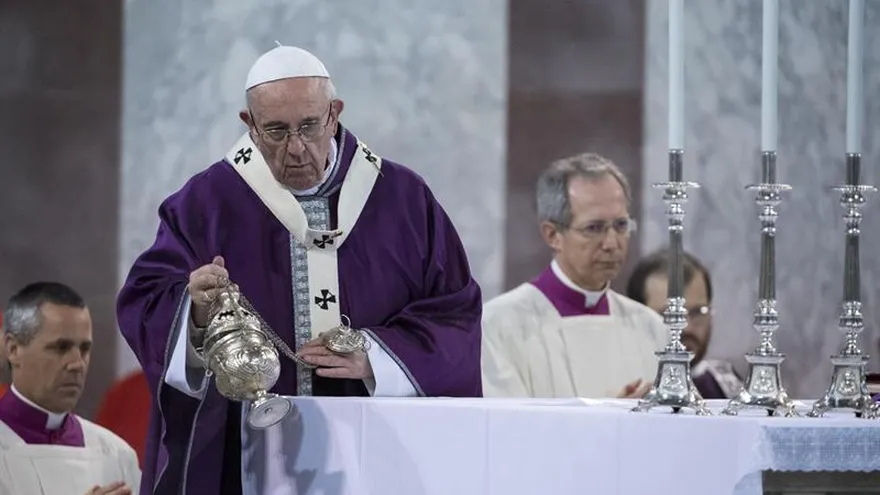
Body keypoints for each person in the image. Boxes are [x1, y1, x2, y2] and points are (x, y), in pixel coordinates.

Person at [116, 45, 482, 494]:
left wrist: (377, 356)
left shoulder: (403, 199)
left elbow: (455, 312)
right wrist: (192, 309)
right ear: (248, 124)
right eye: (275, 130)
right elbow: (145, 301)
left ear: (334, 113)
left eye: (309, 126)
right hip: (247, 447)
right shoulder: (206, 204)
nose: (295, 148)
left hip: (377, 447)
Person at [481, 152, 666, 398]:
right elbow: (509, 430)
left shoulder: (651, 328)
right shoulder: (497, 326)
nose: (612, 243)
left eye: (621, 225)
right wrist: (610, 418)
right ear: (552, 235)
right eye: (594, 228)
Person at [0, 282, 140, 495]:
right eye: (60, 347)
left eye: (84, 349)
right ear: (13, 348)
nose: (77, 363)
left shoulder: (116, 454)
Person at [626, 248, 742, 399]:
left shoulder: (726, 386)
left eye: (697, 312)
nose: (686, 327)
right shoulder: (626, 388)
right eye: (670, 315)